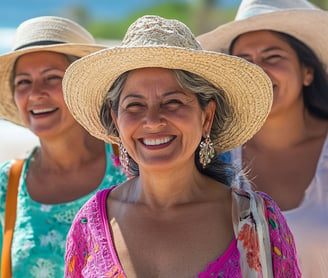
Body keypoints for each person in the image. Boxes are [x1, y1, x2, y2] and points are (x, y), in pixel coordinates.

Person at [63, 15, 300, 277]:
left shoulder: (258, 221)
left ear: (206, 117)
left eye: (173, 102)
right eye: (134, 105)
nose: (152, 121)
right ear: (115, 120)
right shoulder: (91, 222)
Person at [197, 0, 328, 276]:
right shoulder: (212, 157)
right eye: (245, 61)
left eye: (273, 57)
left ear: (307, 72)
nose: (258, 70)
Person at [0, 16, 127, 277]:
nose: (36, 93)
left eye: (51, 78)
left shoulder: (130, 163)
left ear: (83, 88)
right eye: (23, 82)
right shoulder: (7, 185)